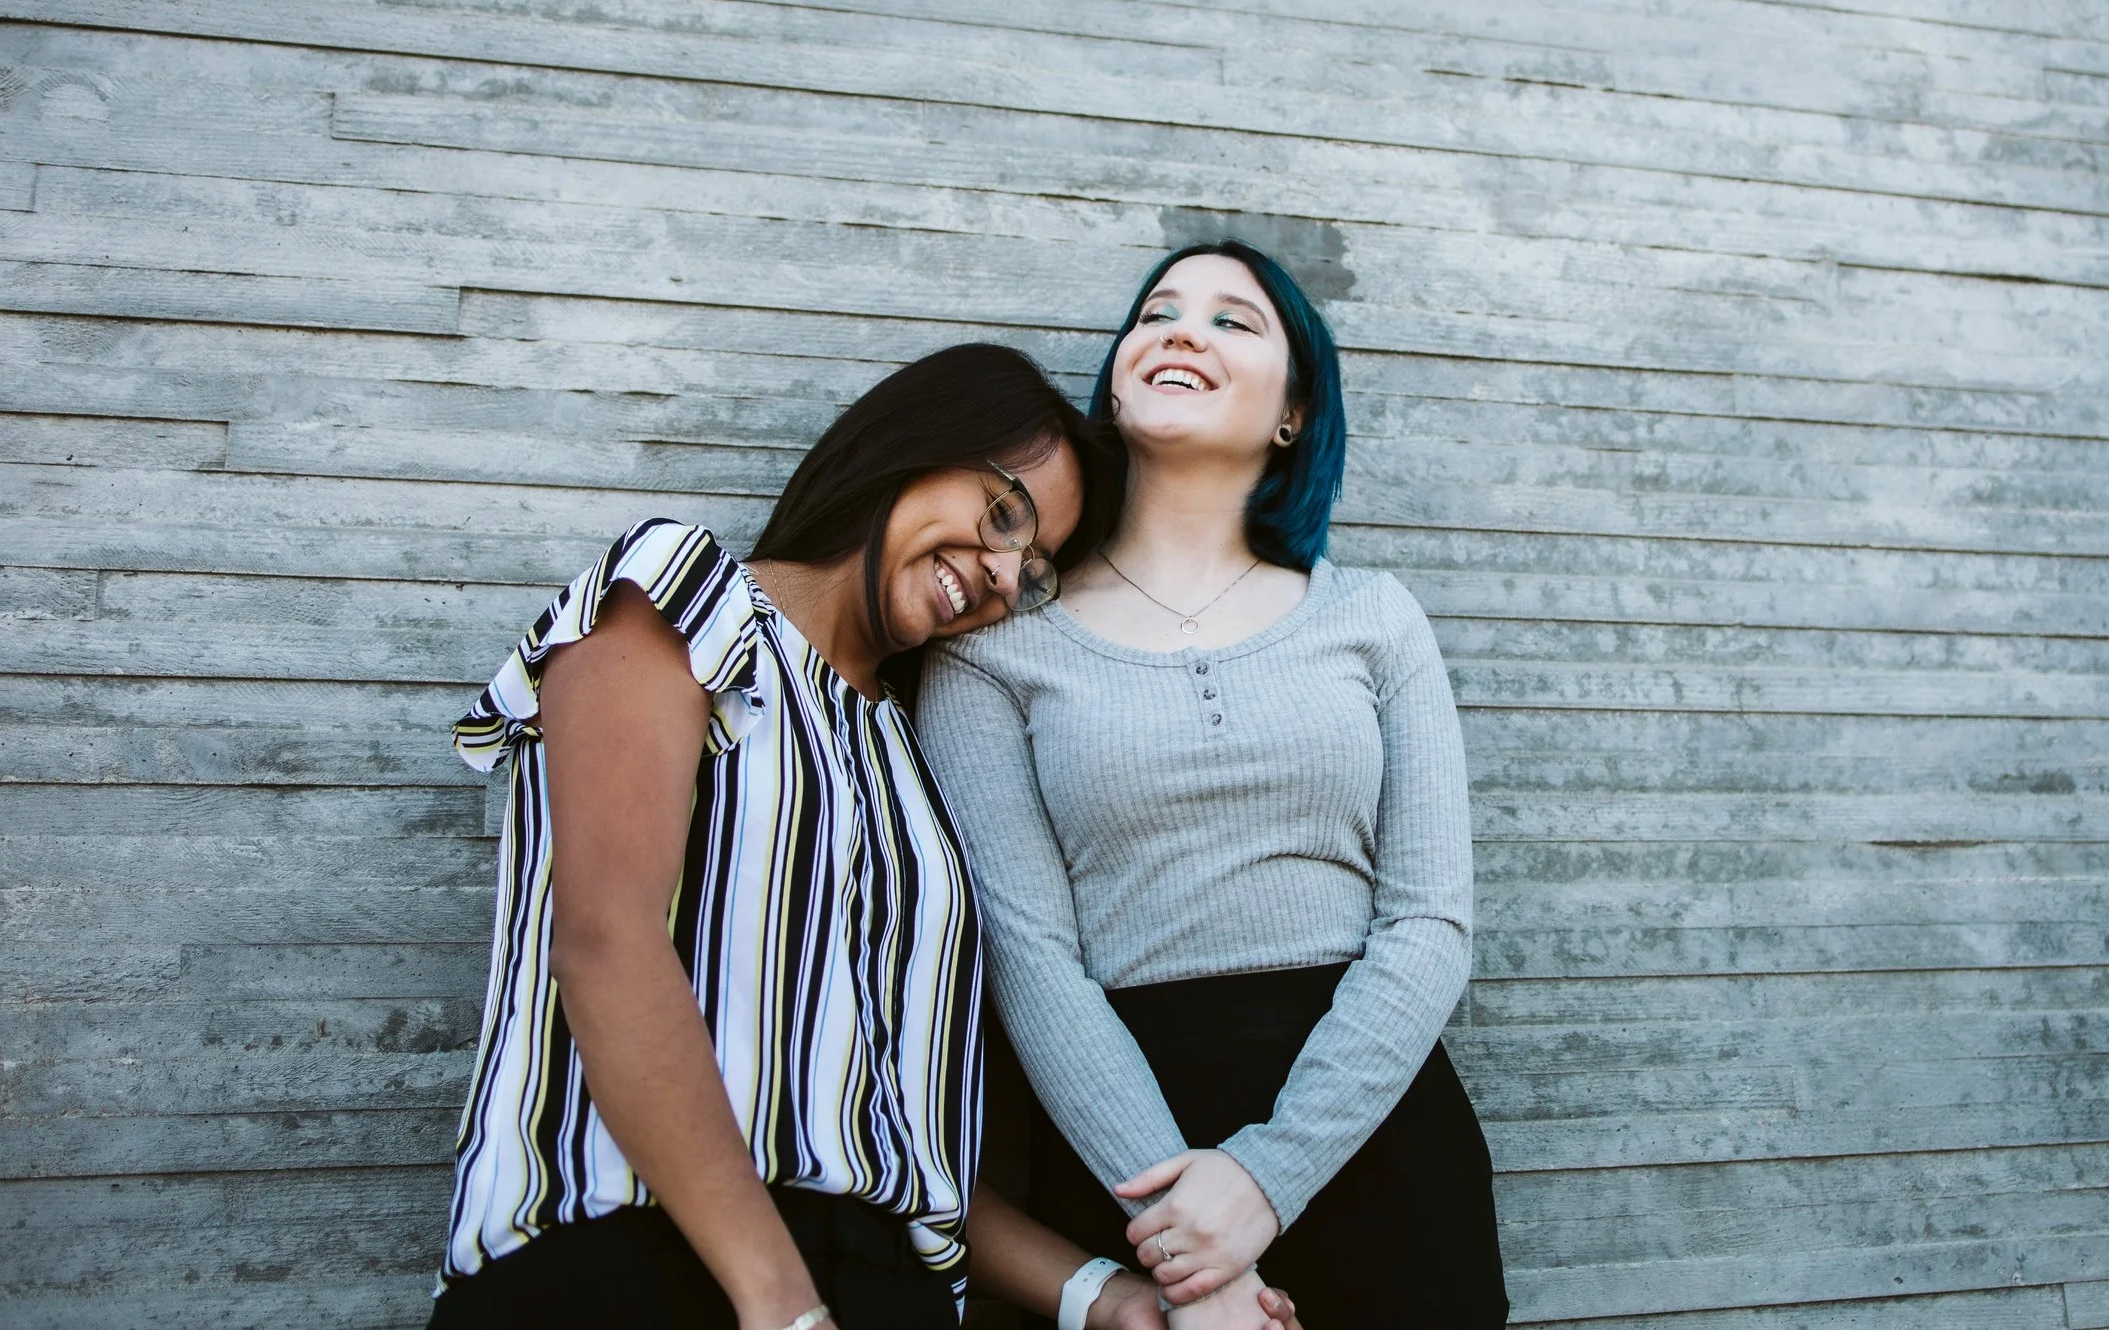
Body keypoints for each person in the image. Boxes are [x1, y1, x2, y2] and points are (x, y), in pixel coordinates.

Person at [427, 342, 1301, 1330]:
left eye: (1037, 566)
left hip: (888, 1293)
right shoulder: (689, 596)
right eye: (1005, 513)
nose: (1005, 575)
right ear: (912, 447)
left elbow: (882, 1141)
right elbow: (603, 940)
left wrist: (1106, 1298)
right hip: (634, 1261)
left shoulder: (907, 756)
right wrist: (779, 1299)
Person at [918, 245, 1510, 1329]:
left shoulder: (1373, 617)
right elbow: (1026, 950)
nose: (1182, 330)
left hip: (1376, 1135)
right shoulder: (994, 645)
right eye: (1157, 312)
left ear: (1293, 411)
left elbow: (1429, 919)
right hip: (1125, 1156)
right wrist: (1195, 1254)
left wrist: (1268, 1177)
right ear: (1116, 373)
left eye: (1234, 321)